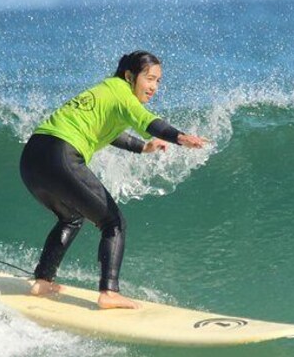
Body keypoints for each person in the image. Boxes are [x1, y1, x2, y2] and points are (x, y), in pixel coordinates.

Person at [19, 51, 206, 309]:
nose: (154, 87)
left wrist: (142, 148)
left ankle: (43, 280)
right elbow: (149, 121)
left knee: (71, 217)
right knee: (113, 222)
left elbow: (109, 131)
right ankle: (109, 292)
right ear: (130, 76)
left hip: (32, 158)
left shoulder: (104, 92)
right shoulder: (122, 93)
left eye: (158, 81)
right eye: (149, 79)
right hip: (62, 155)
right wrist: (180, 137)